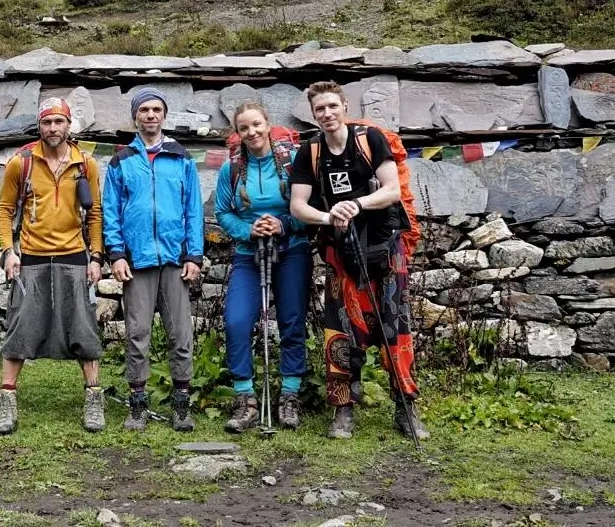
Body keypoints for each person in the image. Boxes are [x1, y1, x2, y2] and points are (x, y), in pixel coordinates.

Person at [288, 81, 429, 441]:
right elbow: (298, 205)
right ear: (314, 114)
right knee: (340, 329)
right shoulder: (311, 152)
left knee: (394, 326)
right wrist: (328, 216)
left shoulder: (370, 140)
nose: (327, 114)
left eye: (332, 106)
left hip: (384, 243)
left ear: (344, 106)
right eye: (320, 109)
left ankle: (406, 407)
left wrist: (357, 204)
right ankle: (343, 408)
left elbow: (392, 189)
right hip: (340, 249)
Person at [0, 97, 105, 435]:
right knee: (20, 327)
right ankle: (7, 399)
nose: (53, 128)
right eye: (47, 122)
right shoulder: (21, 164)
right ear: (39, 126)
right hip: (31, 257)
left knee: (83, 328)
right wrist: (8, 252)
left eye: (59, 122)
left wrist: (96, 257)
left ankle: (94, 399)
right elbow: (3, 210)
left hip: (74, 256)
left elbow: (96, 214)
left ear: (69, 125)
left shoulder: (86, 164)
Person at [102, 87, 204, 432]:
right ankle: (138, 405)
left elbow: (193, 210)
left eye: (156, 109)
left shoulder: (181, 158)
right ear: (135, 116)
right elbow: (111, 212)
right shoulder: (121, 160)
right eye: (144, 109)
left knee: (180, 333)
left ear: (164, 115)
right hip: (138, 259)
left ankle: (181, 406)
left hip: (176, 259)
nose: (150, 115)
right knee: (137, 333)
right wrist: (115, 253)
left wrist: (194, 255)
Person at [214, 102, 310, 433]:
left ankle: (290, 395)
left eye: (256, 125)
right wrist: (248, 230)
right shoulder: (232, 170)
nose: (252, 132)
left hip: (292, 249)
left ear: (267, 124)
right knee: (237, 320)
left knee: (292, 321)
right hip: (248, 253)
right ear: (238, 133)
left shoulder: (292, 163)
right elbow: (224, 212)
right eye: (244, 128)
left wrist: (284, 224)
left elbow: (310, 205)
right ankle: (245, 400)